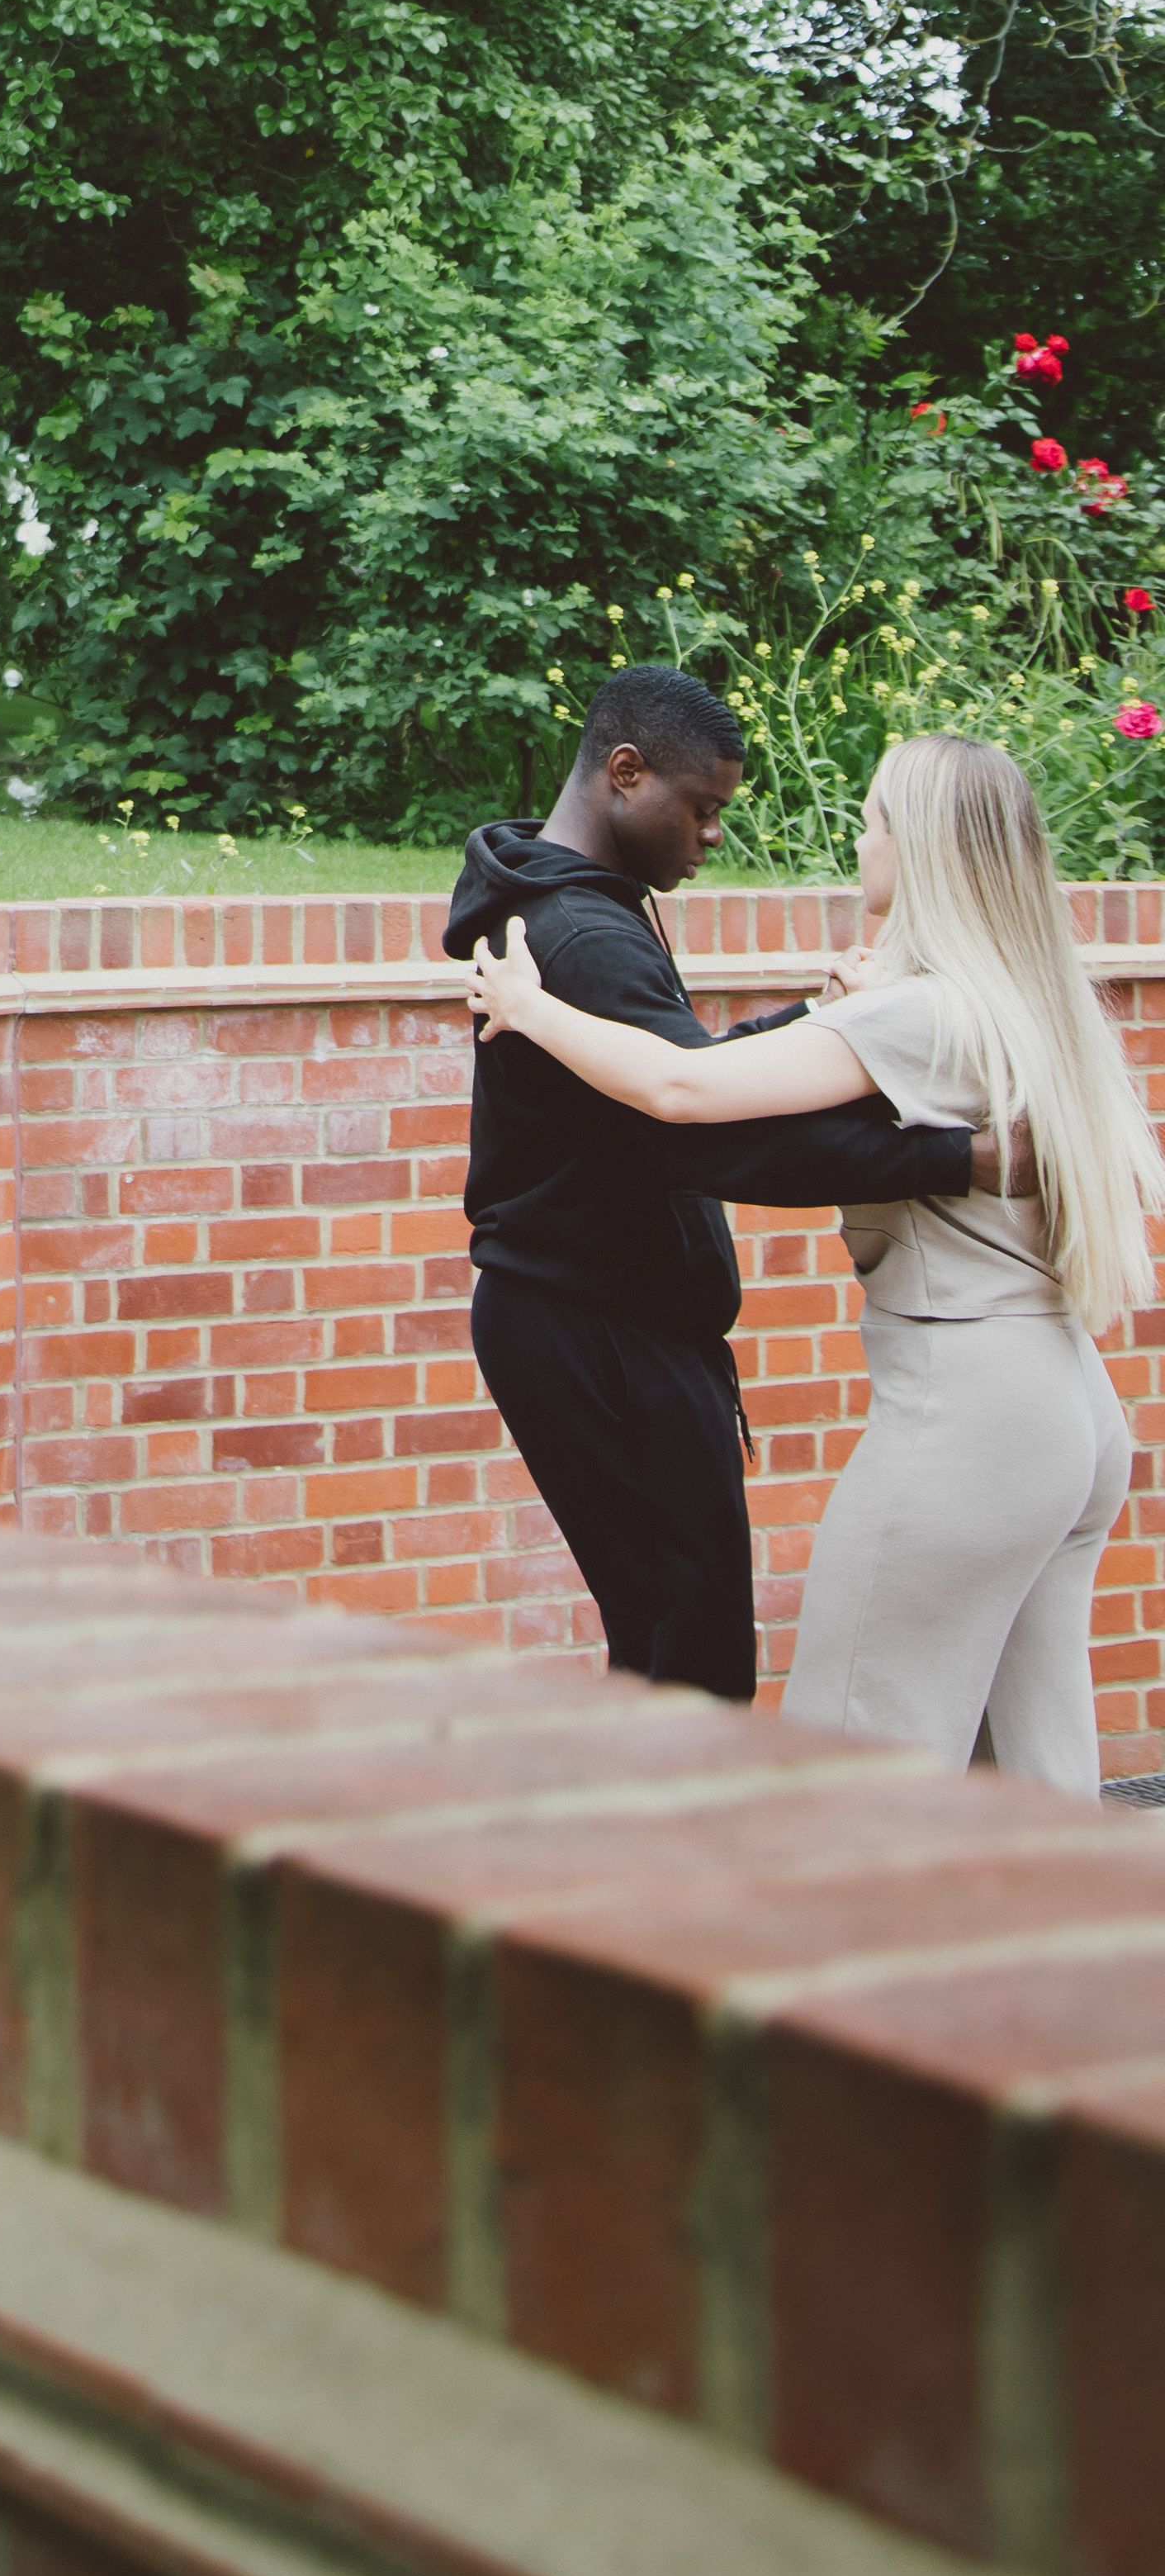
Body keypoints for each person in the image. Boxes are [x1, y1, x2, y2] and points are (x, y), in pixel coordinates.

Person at [471, 732, 1158, 1794]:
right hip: (1066, 1413)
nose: (858, 835)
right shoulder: (1026, 994)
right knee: (1032, 1774)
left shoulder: (922, 1010)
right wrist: (831, 1012)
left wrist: (531, 1009)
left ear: (919, 847)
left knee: (842, 1777)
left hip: (967, 1423)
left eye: (875, 817)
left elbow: (685, 1094)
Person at [442, 668, 981, 1702]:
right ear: (624, 773)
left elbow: (678, 1071)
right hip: (598, 1328)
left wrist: (808, 1029)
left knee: (667, 1649)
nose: (713, 835)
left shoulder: (570, 908)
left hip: (588, 1316)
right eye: (701, 809)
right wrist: (956, 1160)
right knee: (688, 1663)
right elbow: (707, 1140)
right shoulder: (584, 935)